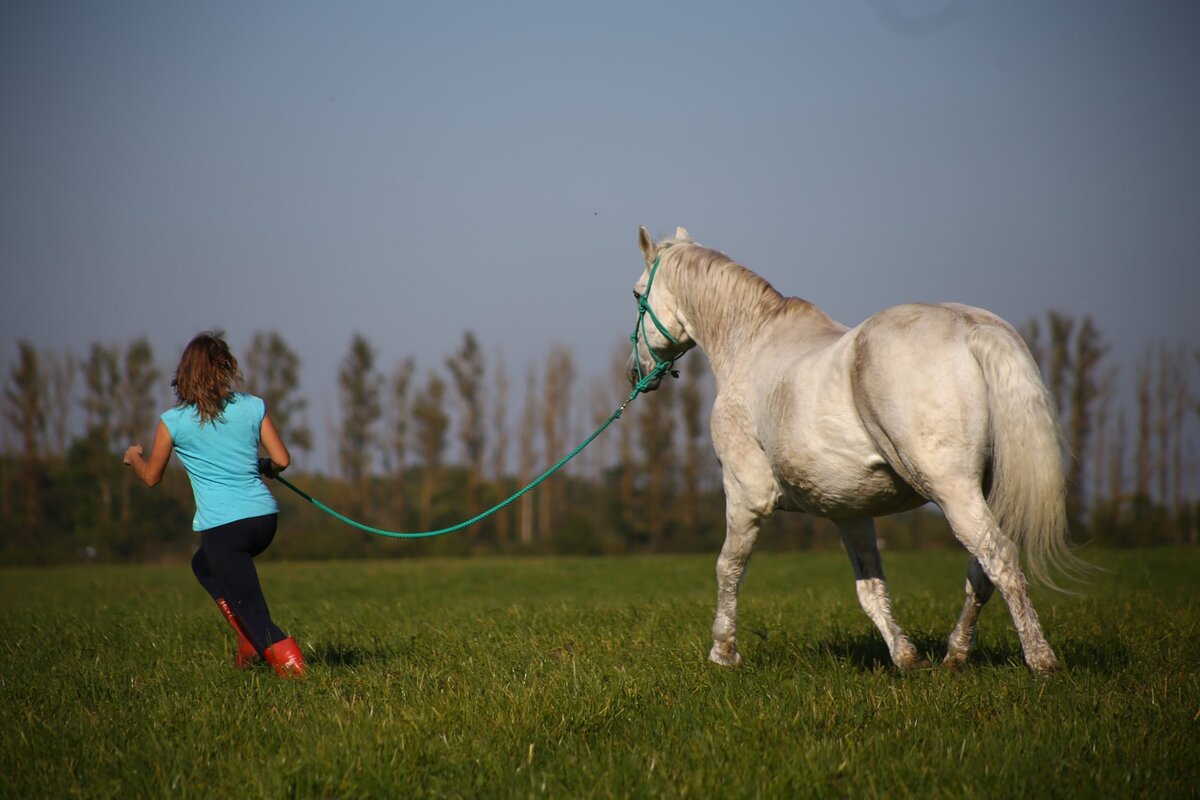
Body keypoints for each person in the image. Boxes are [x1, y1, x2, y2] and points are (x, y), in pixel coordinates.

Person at [123, 331, 305, 678]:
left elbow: (151, 477)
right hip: (264, 521)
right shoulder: (253, 406)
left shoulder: (172, 422)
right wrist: (264, 466)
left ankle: (297, 673)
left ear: (185, 372)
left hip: (224, 527)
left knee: (252, 608)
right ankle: (249, 641)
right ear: (225, 368)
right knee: (203, 566)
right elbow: (281, 459)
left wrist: (134, 458)